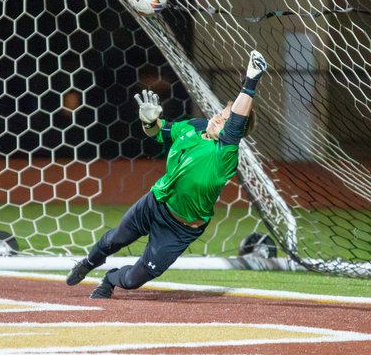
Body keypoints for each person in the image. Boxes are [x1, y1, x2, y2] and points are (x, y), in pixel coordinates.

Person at [66, 49, 268, 299]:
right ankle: (87, 263)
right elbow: (158, 132)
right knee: (114, 239)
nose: (218, 118)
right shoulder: (194, 128)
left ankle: (110, 278)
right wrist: (149, 122)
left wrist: (251, 81)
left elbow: (236, 123)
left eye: (226, 120)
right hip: (155, 202)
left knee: (133, 280)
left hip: (180, 228)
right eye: (220, 113)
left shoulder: (224, 154)